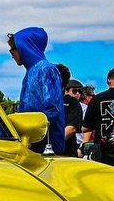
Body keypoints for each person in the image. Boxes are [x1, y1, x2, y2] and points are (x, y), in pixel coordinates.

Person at [7, 27, 65, 155]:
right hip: (32, 144)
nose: (11, 53)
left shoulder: (46, 70)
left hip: (47, 146)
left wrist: (29, 126)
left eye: (13, 49)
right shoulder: (30, 73)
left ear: (25, 47)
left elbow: (53, 109)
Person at [58, 65, 84, 157]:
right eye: (75, 91)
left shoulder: (72, 102)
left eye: (79, 91)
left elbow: (71, 128)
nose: (78, 94)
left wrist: (52, 143)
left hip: (65, 154)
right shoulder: (39, 101)